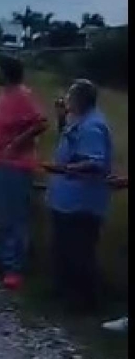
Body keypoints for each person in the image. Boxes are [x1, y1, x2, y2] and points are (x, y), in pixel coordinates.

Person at [0, 56, 47, 290]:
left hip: (12, 165)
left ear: (7, 73)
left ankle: (14, 268)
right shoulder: (4, 95)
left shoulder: (23, 95)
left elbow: (41, 122)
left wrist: (17, 142)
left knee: (12, 216)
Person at [43, 80, 113, 312]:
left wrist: (65, 170)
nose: (65, 100)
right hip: (67, 200)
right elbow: (70, 143)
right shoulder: (79, 120)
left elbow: (96, 162)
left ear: (80, 99)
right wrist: (62, 118)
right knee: (62, 249)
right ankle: (62, 295)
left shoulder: (93, 126)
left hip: (82, 202)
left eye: (69, 96)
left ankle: (83, 304)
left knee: (79, 253)